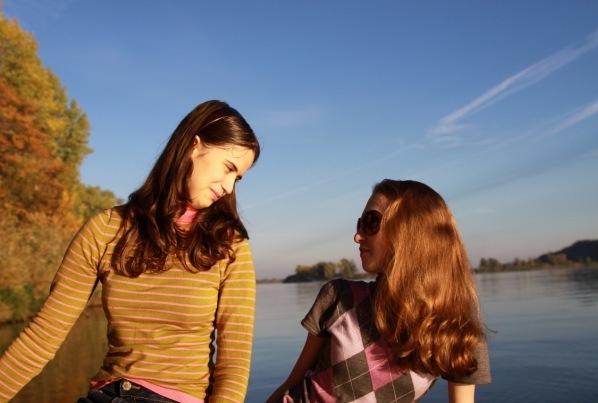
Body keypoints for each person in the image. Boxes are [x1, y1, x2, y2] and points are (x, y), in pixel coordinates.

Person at [0, 100, 261, 403]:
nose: (229, 187)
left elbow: (234, 364)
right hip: (106, 394)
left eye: (237, 178)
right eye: (228, 168)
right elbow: (44, 335)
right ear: (194, 145)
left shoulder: (228, 245)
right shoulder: (104, 230)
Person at [267, 179, 491, 403]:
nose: (357, 236)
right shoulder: (340, 296)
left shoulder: (457, 329)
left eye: (371, 222)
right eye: (359, 224)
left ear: (411, 232)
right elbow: (292, 383)